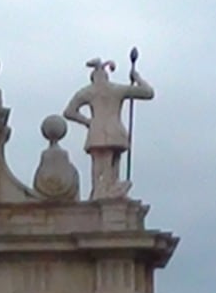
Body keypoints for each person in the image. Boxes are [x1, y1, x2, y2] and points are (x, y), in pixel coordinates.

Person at [62, 57, 154, 198]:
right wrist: (137, 78)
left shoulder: (87, 91)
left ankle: (101, 193)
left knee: (99, 169)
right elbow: (148, 92)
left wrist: (88, 122)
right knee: (113, 169)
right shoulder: (117, 89)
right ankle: (108, 192)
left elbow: (69, 112)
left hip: (97, 132)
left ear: (93, 78)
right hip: (116, 132)